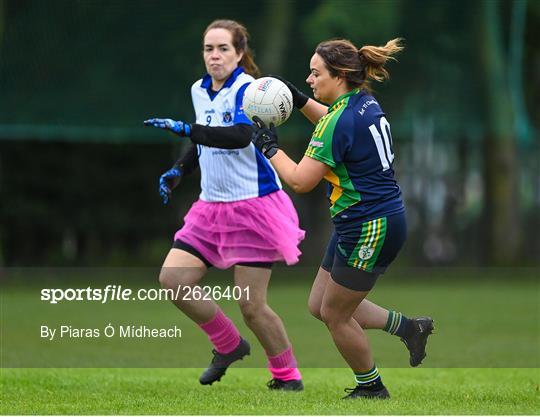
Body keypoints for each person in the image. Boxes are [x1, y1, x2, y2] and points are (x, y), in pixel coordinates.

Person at [251, 38, 434, 399]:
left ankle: (372, 388)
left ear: (341, 75)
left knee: (336, 314)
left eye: (316, 73)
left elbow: (301, 180)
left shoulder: (339, 122)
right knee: (320, 305)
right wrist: (300, 100)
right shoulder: (363, 102)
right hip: (361, 220)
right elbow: (333, 120)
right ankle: (410, 328)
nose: (308, 79)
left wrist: (268, 147)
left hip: (372, 225)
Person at [143, 19, 304, 391]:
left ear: (240, 54)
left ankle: (287, 376)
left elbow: (240, 137)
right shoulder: (199, 89)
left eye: (223, 49)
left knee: (251, 305)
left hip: (254, 207)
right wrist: (179, 169)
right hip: (210, 207)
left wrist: (187, 129)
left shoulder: (251, 90)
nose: (214, 56)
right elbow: (203, 138)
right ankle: (228, 345)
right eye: (208, 49)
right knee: (173, 281)